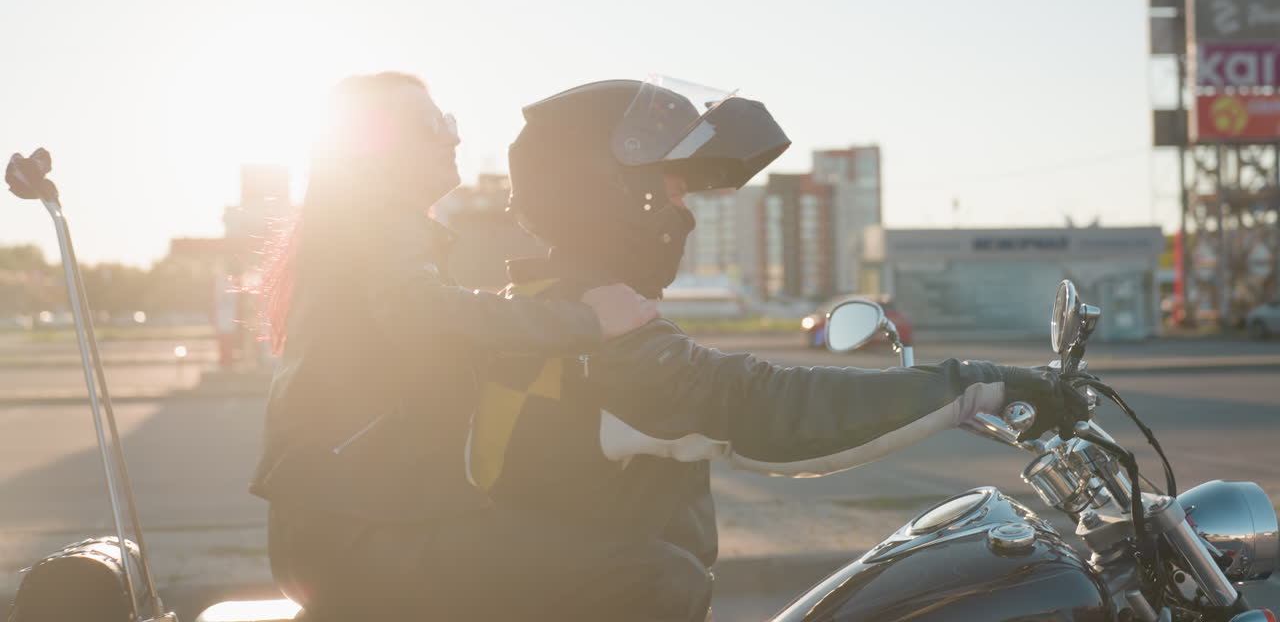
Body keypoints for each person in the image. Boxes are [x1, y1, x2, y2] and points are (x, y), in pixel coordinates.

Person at [460, 78, 1091, 621]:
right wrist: (976, 384)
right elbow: (768, 407)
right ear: (613, 196)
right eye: (674, 192)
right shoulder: (596, 343)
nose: (685, 215)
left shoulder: (540, 310)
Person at [248, 72, 661, 618]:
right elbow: (426, 311)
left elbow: (423, 319)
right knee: (657, 575)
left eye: (449, 121)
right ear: (372, 149)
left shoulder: (364, 233)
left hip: (346, 531)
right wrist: (586, 320)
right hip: (372, 537)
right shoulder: (377, 226)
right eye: (431, 125)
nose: (453, 137)